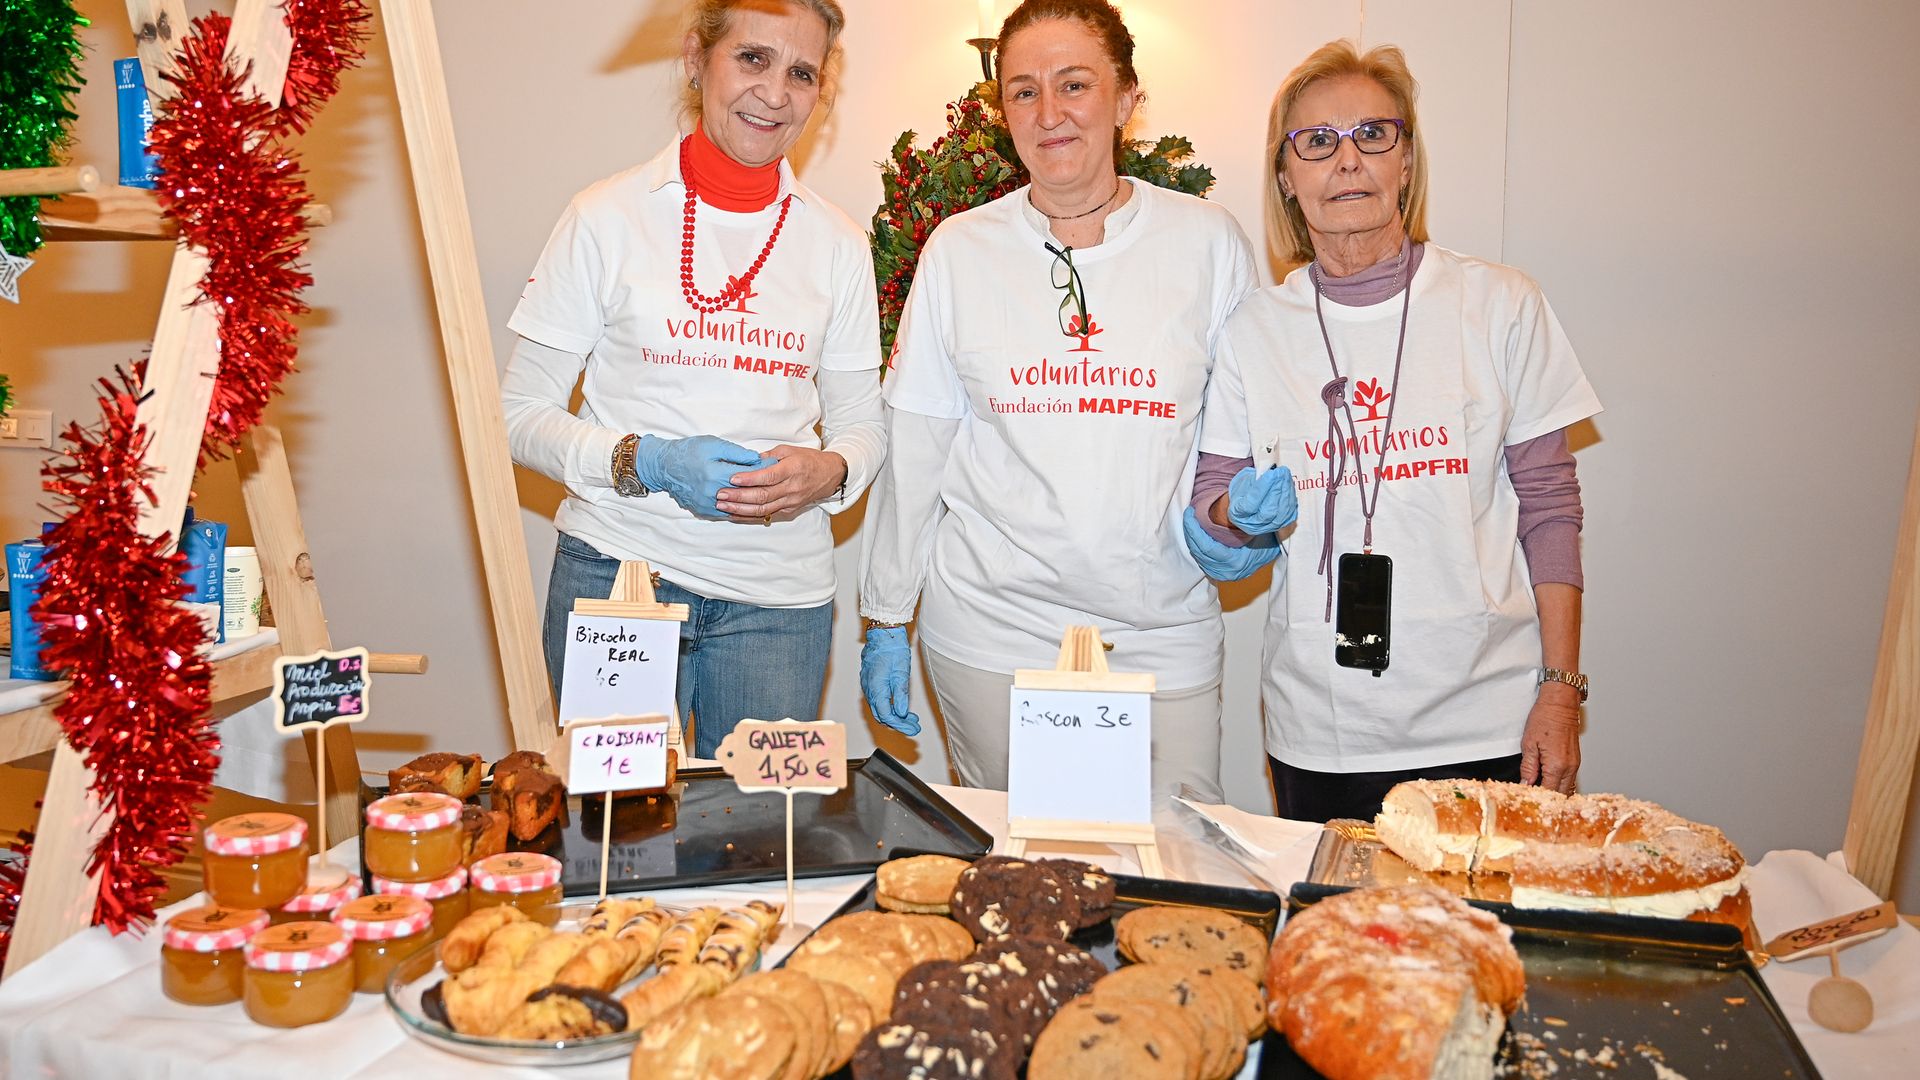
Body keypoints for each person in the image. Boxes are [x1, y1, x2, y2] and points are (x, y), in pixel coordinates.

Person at [1187, 40, 1601, 822]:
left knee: (1480, 942)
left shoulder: (1500, 305)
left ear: (1406, 161)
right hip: (1323, 731)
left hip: (1485, 713)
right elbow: (1216, 508)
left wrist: (1560, 691)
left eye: (1373, 135)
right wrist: (1233, 517)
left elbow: (1551, 509)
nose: (1347, 161)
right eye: (1317, 142)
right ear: (1286, 175)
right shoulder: (1253, 328)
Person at [858, 0, 1256, 802]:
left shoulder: (1206, 243)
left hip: (1161, 625)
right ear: (1001, 112)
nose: (1050, 113)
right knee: (1022, 869)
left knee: (1174, 866)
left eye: (1074, 84)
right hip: (994, 629)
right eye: (1023, 92)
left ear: (1127, 96)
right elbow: (919, 442)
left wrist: (1242, 522)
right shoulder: (960, 252)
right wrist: (886, 613)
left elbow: (1242, 428)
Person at [501, 0, 882, 757]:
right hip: (617, 579)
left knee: (761, 842)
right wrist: (646, 462)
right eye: (752, 59)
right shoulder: (606, 217)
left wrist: (831, 471)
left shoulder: (838, 244)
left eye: (801, 72)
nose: (774, 94)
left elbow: (863, 427)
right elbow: (516, 415)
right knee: (621, 837)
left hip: (779, 604)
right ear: (696, 59)